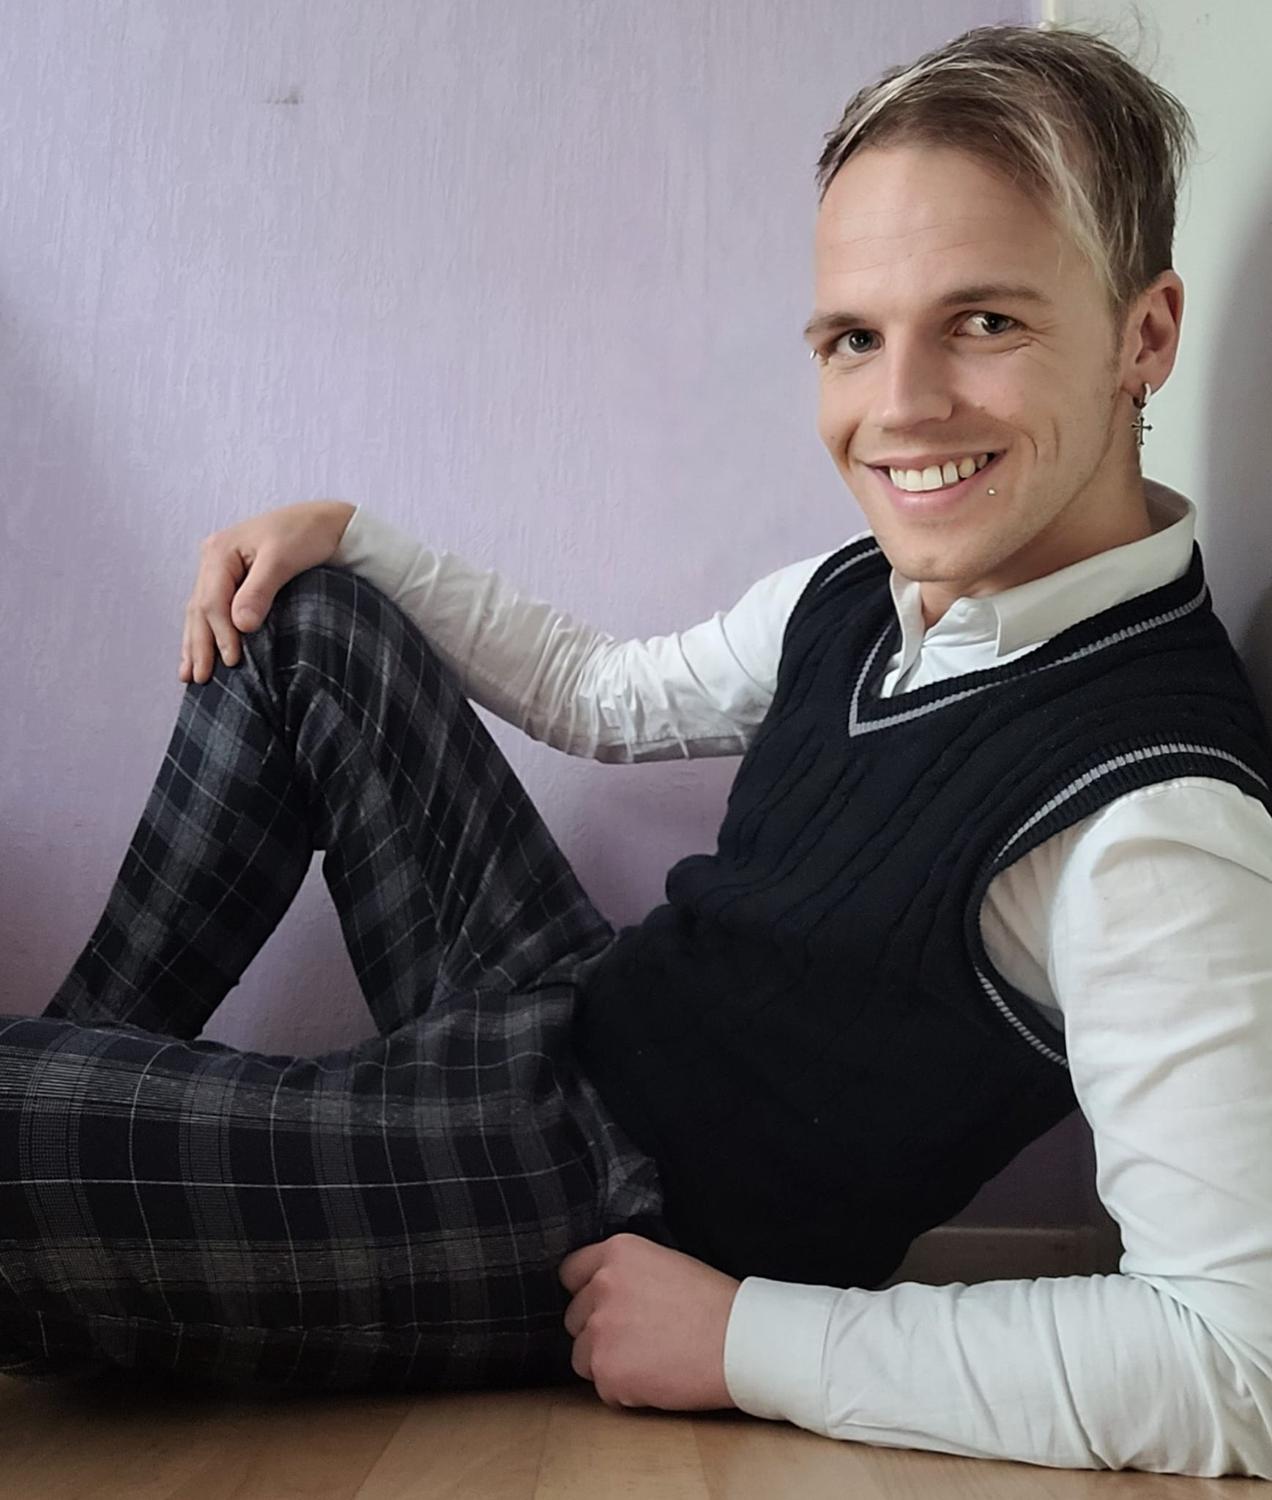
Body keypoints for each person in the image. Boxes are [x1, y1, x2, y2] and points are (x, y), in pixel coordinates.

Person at [10, 18, 1272, 1480]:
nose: (900, 407)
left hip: (605, 1203)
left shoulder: (1153, 821)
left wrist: (746, 1338)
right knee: (313, 626)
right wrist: (354, 536)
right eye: (854, 339)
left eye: (985, 322)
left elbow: (1236, 1358)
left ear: (1145, 335)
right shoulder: (867, 591)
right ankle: (92, 1091)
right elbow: (603, 694)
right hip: (575, 1012)